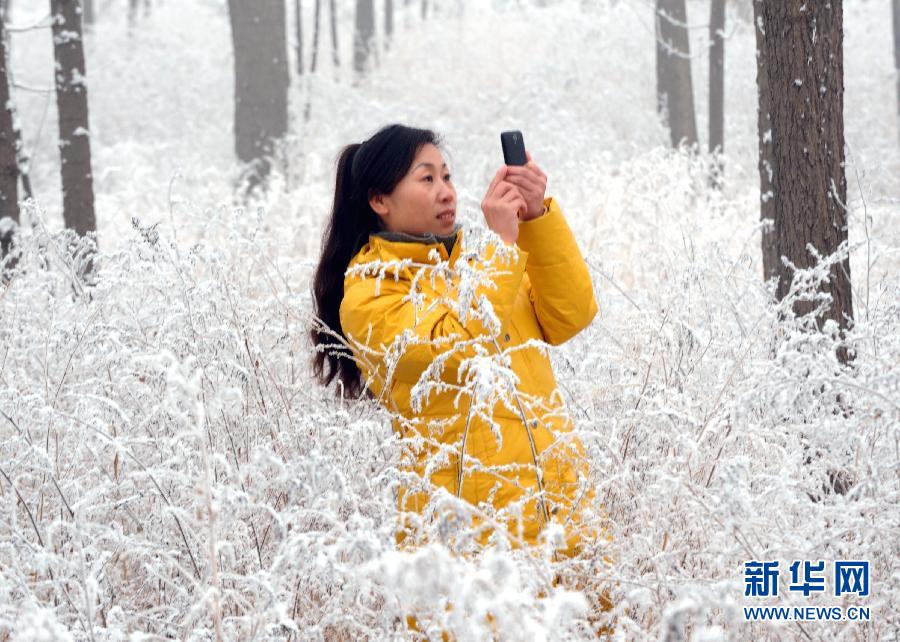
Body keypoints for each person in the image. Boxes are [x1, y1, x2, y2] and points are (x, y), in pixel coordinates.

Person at [310, 124, 614, 638]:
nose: (446, 192)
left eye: (447, 176)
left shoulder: (481, 267)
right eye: (426, 179)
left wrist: (536, 220)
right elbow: (458, 346)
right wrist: (503, 245)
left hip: (560, 514)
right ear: (379, 200)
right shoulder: (370, 295)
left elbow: (571, 314)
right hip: (469, 540)